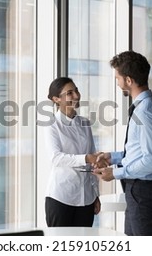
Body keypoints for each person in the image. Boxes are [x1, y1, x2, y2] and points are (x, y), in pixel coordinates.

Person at [92, 51, 152, 236]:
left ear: (128, 80)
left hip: (143, 191)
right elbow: (141, 150)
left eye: (118, 78)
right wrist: (113, 157)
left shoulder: (145, 111)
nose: (117, 83)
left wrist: (116, 173)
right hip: (141, 191)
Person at [44, 77, 104, 227]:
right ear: (56, 99)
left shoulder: (85, 123)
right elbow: (56, 158)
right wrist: (86, 158)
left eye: (76, 90)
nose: (76, 95)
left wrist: (95, 194)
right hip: (62, 198)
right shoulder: (52, 125)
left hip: (86, 199)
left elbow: (93, 162)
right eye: (70, 93)